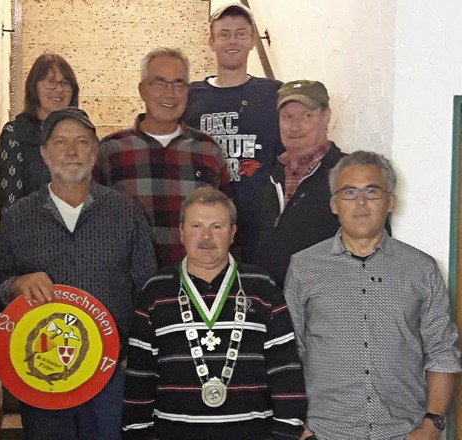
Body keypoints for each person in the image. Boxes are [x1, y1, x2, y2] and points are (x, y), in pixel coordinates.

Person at [0, 107, 157, 440]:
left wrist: (133, 362)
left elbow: (147, 294)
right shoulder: (19, 216)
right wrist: (17, 286)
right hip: (42, 372)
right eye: (61, 142)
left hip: (111, 374)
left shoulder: (125, 211)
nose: (71, 151)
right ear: (44, 154)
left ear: (95, 151)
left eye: (82, 142)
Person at [284, 151, 461, 440]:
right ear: (333, 204)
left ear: (391, 201)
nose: (361, 203)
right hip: (326, 432)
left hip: (403, 433)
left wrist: (433, 425)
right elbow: (290, 354)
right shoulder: (304, 267)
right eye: (349, 192)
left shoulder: (421, 269)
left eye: (372, 191)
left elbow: (442, 353)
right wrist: (299, 427)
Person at [122, 186, 306, 440]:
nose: (205, 237)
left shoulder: (262, 286)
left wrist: (286, 433)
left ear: (232, 233)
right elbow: (140, 376)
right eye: (196, 226)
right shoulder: (155, 290)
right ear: (181, 232)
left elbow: (284, 370)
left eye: (216, 227)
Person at [95, 47, 230, 269]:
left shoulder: (208, 151)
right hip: (130, 285)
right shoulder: (111, 151)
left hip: (194, 285)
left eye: (178, 84)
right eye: (159, 83)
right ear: (142, 90)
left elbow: (225, 224)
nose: (170, 93)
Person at [184, 3, 283, 262]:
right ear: (211, 41)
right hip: (204, 223)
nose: (233, 40)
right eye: (224, 33)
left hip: (258, 226)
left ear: (252, 40)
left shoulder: (273, 94)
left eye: (241, 33)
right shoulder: (190, 95)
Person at [252, 79, 345, 286]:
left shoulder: (347, 175)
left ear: (326, 116)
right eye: (287, 117)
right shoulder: (270, 174)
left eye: (307, 116)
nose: (295, 126)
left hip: (321, 306)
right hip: (272, 304)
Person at [0, 53, 80, 219]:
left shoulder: (82, 135)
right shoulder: (15, 135)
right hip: (31, 238)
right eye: (50, 82)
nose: (59, 89)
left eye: (65, 83)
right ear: (34, 87)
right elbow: (10, 210)